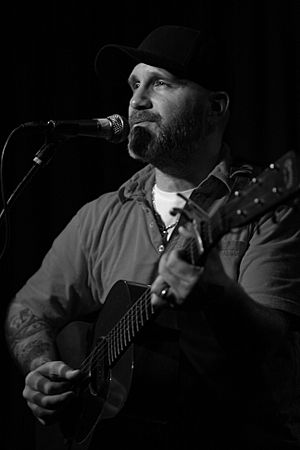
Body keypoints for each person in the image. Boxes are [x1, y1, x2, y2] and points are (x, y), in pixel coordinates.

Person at [5, 25, 300, 450]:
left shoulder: (263, 205)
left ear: (215, 108)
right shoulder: (103, 214)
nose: (136, 101)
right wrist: (42, 369)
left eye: (160, 83)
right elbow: (26, 308)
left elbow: (272, 343)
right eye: (134, 84)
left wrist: (216, 292)